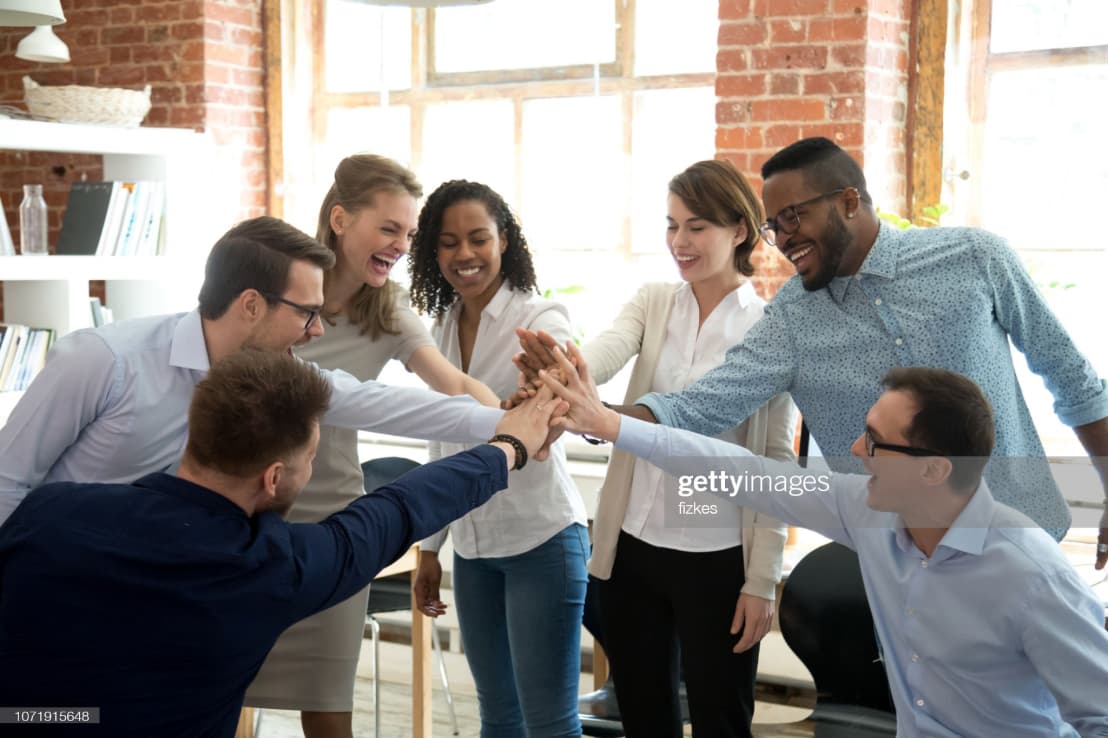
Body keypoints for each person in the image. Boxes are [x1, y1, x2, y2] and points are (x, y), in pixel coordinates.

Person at [517, 137, 1108, 560]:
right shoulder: (791, 319)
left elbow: (1072, 378)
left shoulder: (976, 259)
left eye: (794, 217)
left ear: (848, 201)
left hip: (1024, 540)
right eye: (775, 225)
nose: (783, 240)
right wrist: (597, 417)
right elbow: (698, 409)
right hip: (903, 563)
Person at [542, 342, 1108, 738]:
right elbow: (739, 471)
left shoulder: (1033, 576)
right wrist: (610, 423)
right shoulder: (871, 512)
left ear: (934, 471)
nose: (856, 452)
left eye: (874, 440)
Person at [0, 349, 561, 738]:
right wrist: (509, 446)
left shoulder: (50, 510)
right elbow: (397, 509)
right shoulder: (267, 569)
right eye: (310, 461)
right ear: (273, 478)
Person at [0, 215, 507, 527]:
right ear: (250, 305)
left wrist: (505, 424)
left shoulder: (270, 375)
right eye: (306, 313)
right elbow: (6, 481)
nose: (316, 332)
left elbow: (379, 404)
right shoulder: (101, 360)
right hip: (60, 589)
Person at [244, 156, 501, 738]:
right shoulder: (271, 290)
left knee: (329, 708)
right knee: (224, 689)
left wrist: (515, 421)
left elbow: (454, 383)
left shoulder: (387, 310)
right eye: (389, 229)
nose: (401, 246)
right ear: (339, 218)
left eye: (410, 234)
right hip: (252, 519)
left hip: (334, 526)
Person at [570, 160, 796, 737]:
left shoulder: (768, 328)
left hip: (718, 555)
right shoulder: (654, 303)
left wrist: (761, 580)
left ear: (739, 231)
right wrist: (568, 371)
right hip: (635, 545)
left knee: (722, 719)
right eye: (672, 225)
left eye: (697, 227)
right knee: (645, 717)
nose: (680, 242)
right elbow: (606, 352)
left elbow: (776, 462)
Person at [408, 180, 589, 738]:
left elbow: (556, 391)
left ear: (504, 240)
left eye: (478, 238)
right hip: (473, 550)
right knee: (499, 721)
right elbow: (442, 443)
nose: (464, 255)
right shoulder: (435, 331)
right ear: (432, 253)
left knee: (549, 725)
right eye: (449, 243)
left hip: (541, 543)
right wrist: (430, 548)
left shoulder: (541, 317)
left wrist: (544, 394)